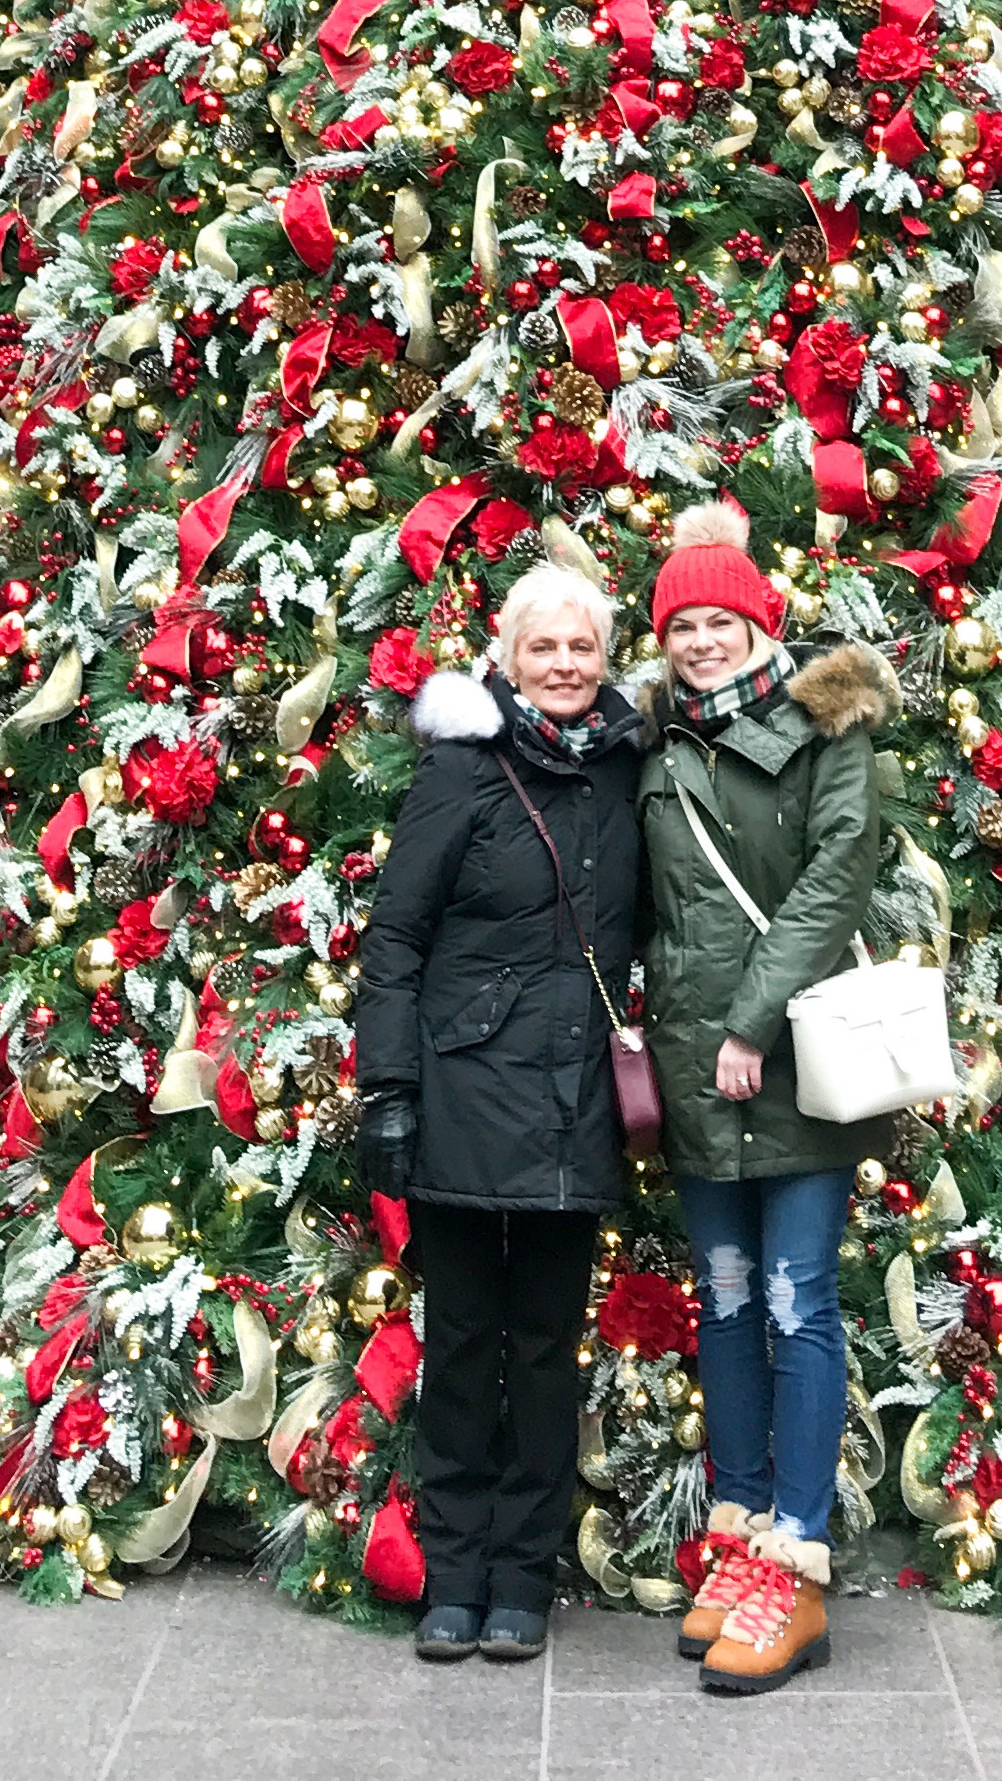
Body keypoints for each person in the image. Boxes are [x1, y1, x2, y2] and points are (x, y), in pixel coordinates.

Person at [353, 560, 641, 1663]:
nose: (564, 666)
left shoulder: (627, 768)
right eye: (544, 648)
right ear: (508, 658)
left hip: (574, 1103)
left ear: (604, 659)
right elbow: (396, 939)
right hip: (467, 1094)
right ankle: (456, 1570)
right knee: (466, 1343)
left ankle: (523, 1574)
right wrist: (388, 1089)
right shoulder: (462, 769)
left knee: (548, 1345)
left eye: (582, 648)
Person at [636, 500, 898, 1700]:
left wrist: (752, 1022)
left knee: (797, 1300)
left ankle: (792, 1564)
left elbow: (837, 877)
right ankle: (738, 1540)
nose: (701, 640)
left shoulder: (827, 723)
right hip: (695, 1065)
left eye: (719, 620)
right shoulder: (654, 740)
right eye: (681, 622)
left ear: (758, 622)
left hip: (791, 1058)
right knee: (727, 1301)